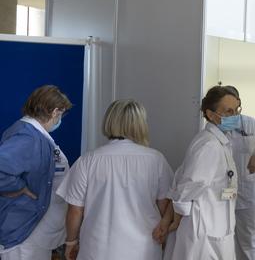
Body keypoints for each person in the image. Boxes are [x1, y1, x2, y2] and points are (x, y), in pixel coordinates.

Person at [56, 99, 174, 260]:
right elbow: (164, 207)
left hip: (97, 248)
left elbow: (75, 210)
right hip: (144, 248)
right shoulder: (156, 160)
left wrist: (71, 242)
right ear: (141, 124)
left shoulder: (88, 160)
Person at [163, 86, 239, 260]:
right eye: (228, 112)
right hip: (205, 232)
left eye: (236, 110)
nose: (235, 116)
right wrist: (175, 218)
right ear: (210, 114)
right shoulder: (209, 146)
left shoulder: (218, 141)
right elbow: (189, 185)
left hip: (216, 225)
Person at [0, 85, 72, 260]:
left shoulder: (34, 134)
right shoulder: (28, 137)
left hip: (34, 233)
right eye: (61, 114)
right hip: (25, 234)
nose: (59, 119)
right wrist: (20, 188)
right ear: (55, 111)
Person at [223, 86, 255, 260]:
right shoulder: (218, 126)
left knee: (247, 241)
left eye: (234, 108)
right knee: (225, 239)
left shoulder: (252, 123)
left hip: (248, 192)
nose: (230, 113)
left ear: (239, 103)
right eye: (226, 109)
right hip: (224, 192)